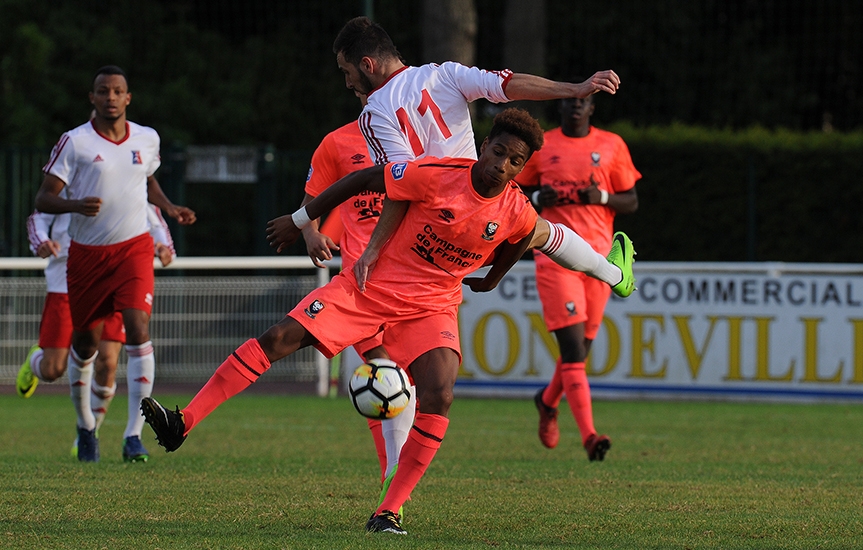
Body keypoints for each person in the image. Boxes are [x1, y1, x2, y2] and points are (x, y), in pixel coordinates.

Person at [143, 109, 556, 535]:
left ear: (522, 168)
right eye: (498, 152)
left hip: (431, 306)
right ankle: (183, 422)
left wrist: (493, 278)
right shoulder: (435, 171)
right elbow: (361, 181)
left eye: (514, 162)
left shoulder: (515, 206)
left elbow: (527, 232)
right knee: (279, 338)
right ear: (484, 145)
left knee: (440, 393)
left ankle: (389, 511)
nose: (500, 166)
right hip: (368, 287)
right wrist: (303, 223)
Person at [331, 16, 633, 301]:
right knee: (538, 230)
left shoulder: (374, 113)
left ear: (367, 65)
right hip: (482, 209)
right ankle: (612, 273)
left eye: (347, 72)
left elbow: (400, 185)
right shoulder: (445, 74)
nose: (347, 83)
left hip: (431, 231)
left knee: (395, 308)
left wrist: (372, 249)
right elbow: (507, 84)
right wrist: (574, 89)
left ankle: (383, 355)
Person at [32, 65, 196, 462]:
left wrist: (169, 207)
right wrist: (74, 205)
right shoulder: (75, 142)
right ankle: (86, 425)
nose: (110, 97)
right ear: (93, 97)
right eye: (102, 91)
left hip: (133, 250)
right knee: (85, 344)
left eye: (117, 91)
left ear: (128, 98)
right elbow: (43, 198)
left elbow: (147, 179)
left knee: (138, 328)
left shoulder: (147, 138)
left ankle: (134, 436)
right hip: (86, 256)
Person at [300, 91, 416, 516]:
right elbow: (314, 196)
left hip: (414, 283)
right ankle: (392, 485)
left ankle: (395, 477)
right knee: (382, 375)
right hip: (360, 285)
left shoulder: (419, 138)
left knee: (406, 384)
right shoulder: (336, 143)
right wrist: (311, 232)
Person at [515, 94, 641, 461]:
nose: (575, 106)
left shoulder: (611, 145)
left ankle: (547, 399)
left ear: (591, 109)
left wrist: (601, 196)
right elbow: (513, 191)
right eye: (569, 101)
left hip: (601, 262)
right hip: (555, 258)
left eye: (582, 102)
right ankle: (589, 435)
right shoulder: (543, 145)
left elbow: (630, 200)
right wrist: (538, 194)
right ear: (561, 108)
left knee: (581, 351)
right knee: (571, 351)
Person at [17, 204, 177, 462]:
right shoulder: (72, 175)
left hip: (113, 278)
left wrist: (164, 247)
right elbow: (39, 213)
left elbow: (152, 215)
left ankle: (90, 433)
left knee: (107, 362)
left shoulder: (128, 175)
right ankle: (36, 360)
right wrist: (42, 243)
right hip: (65, 283)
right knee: (52, 369)